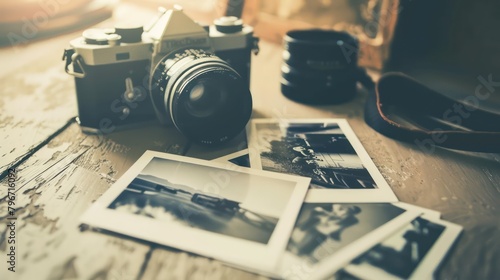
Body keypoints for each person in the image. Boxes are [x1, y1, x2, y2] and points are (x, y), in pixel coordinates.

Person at [288, 204, 361, 258]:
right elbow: (325, 216)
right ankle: (296, 251)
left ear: (354, 213)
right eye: (350, 208)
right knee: (304, 240)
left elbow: (340, 225)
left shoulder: (351, 220)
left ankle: (300, 254)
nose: (349, 210)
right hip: (317, 228)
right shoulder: (337, 209)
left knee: (313, 244)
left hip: (325, 232)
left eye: (352, 210)